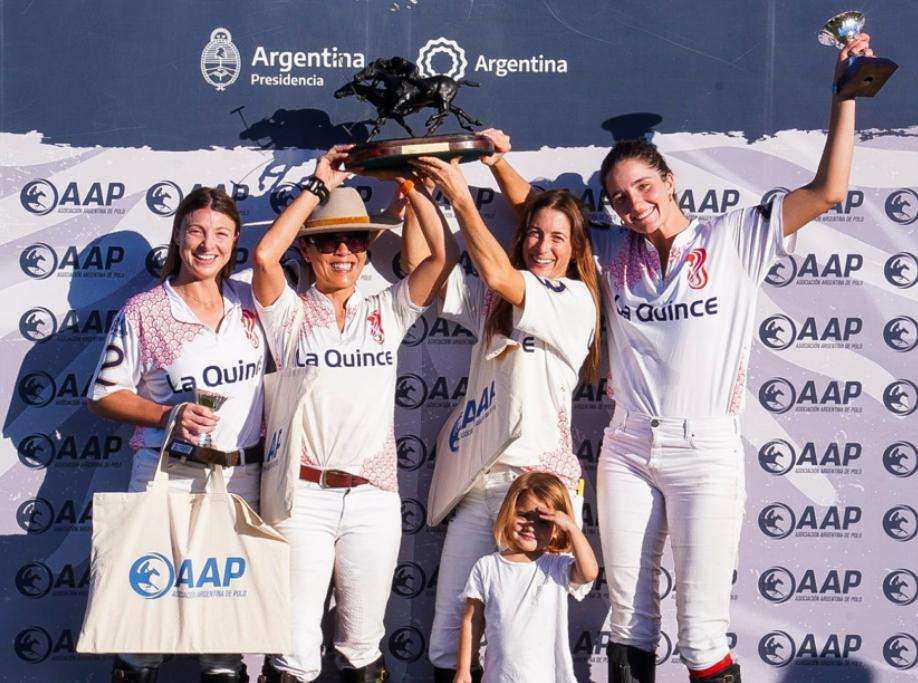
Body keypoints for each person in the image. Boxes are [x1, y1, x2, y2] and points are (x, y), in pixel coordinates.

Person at [477, 32, 875, 683]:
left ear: (669, 179)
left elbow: (829, 190)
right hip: (627, 446)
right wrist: (497, 162)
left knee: (700, 634)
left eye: (642, 187)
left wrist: (844, 97)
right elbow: (537, 210)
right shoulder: (610, 251)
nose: (633, 204)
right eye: (619, 198)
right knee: (627, 621)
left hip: (707, 450)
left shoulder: (735, 237)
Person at [251, 145, 457, 682]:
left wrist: (417, 194)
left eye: (355, 240)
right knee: (292, 653)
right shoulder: (289, 313)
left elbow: (439, 259)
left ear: (367, 250)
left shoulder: (384, 309)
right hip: (303, 498)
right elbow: (264, 257)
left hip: (373, 498)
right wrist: (318, 185)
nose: (343, 251)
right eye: (327, 241)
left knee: (362, 648)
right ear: (310, 251)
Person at [402, 155, 601, 681]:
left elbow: (493, 268)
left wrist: (461, 196)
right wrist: (414, 191)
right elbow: (428, 266)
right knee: (449, 631)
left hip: (539, 487)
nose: (543, 246)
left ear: (575, 249)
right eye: (534, 234)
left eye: (558, 238)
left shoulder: (576, 298)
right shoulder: (494, 299)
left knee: (525, 641)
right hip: (481, 479)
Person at [88, 187, 266, 683]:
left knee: (224, 643)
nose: (208, 245)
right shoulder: (144, 310)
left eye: (222, 234)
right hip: (167, 478)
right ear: (178, 238)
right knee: (147, 625)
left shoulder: (252, 302)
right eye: (197, 232)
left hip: (242, 482)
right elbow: (102, 395)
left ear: (234, 244)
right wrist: (167, 415)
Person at [455, 472, 598, 683]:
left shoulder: (557, 567)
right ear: (508, 512)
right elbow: (472, 619)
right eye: (523, 515)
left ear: (557, 531)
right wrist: (464, 669)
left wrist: (572, 528)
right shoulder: (486, 567)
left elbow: (589, 573)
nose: (530, 526)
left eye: (543, 522)